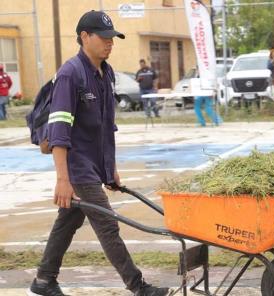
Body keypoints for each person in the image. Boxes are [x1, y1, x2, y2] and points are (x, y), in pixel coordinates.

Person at [28, 11, 170, 296]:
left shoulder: (106, 74)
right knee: (107, 224)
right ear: (84, 37)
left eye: (112, 38)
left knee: (68, 220)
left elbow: (106, 127)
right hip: (76, 166)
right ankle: (138, 287)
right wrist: (63, 179)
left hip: (93, 165)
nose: (110, 43)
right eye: (104, 37)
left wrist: (110, 169)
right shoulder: (71, 74)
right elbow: (59, 131)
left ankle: (44, 281)